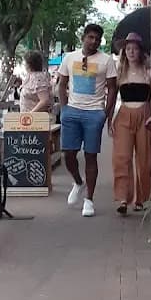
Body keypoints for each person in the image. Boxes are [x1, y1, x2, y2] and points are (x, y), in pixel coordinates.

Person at [57, 24, 117, 217]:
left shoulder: (106, 60)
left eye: (97, 39)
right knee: (68, 154)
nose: (94, 42)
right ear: (83, 37)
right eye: (90, 37)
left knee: (91, 156)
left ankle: (89, 199)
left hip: (94, 113)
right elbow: (62, 83)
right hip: (72, 111)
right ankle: (78, 182)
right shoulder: (69, 57)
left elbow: (113, 89)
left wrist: (105, 114)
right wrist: (64, 108)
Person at [109, 32, 151, 215]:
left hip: (144, 114)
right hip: (124, 115)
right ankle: (123, 198)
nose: (131, 52)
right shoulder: (120, 71)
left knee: (144, 158)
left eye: (135, 49)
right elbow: (112, 96)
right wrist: (109, 118)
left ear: (141, 51)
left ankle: (140, 198)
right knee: (121, 157)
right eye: (128, 49)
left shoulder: (150, 71)